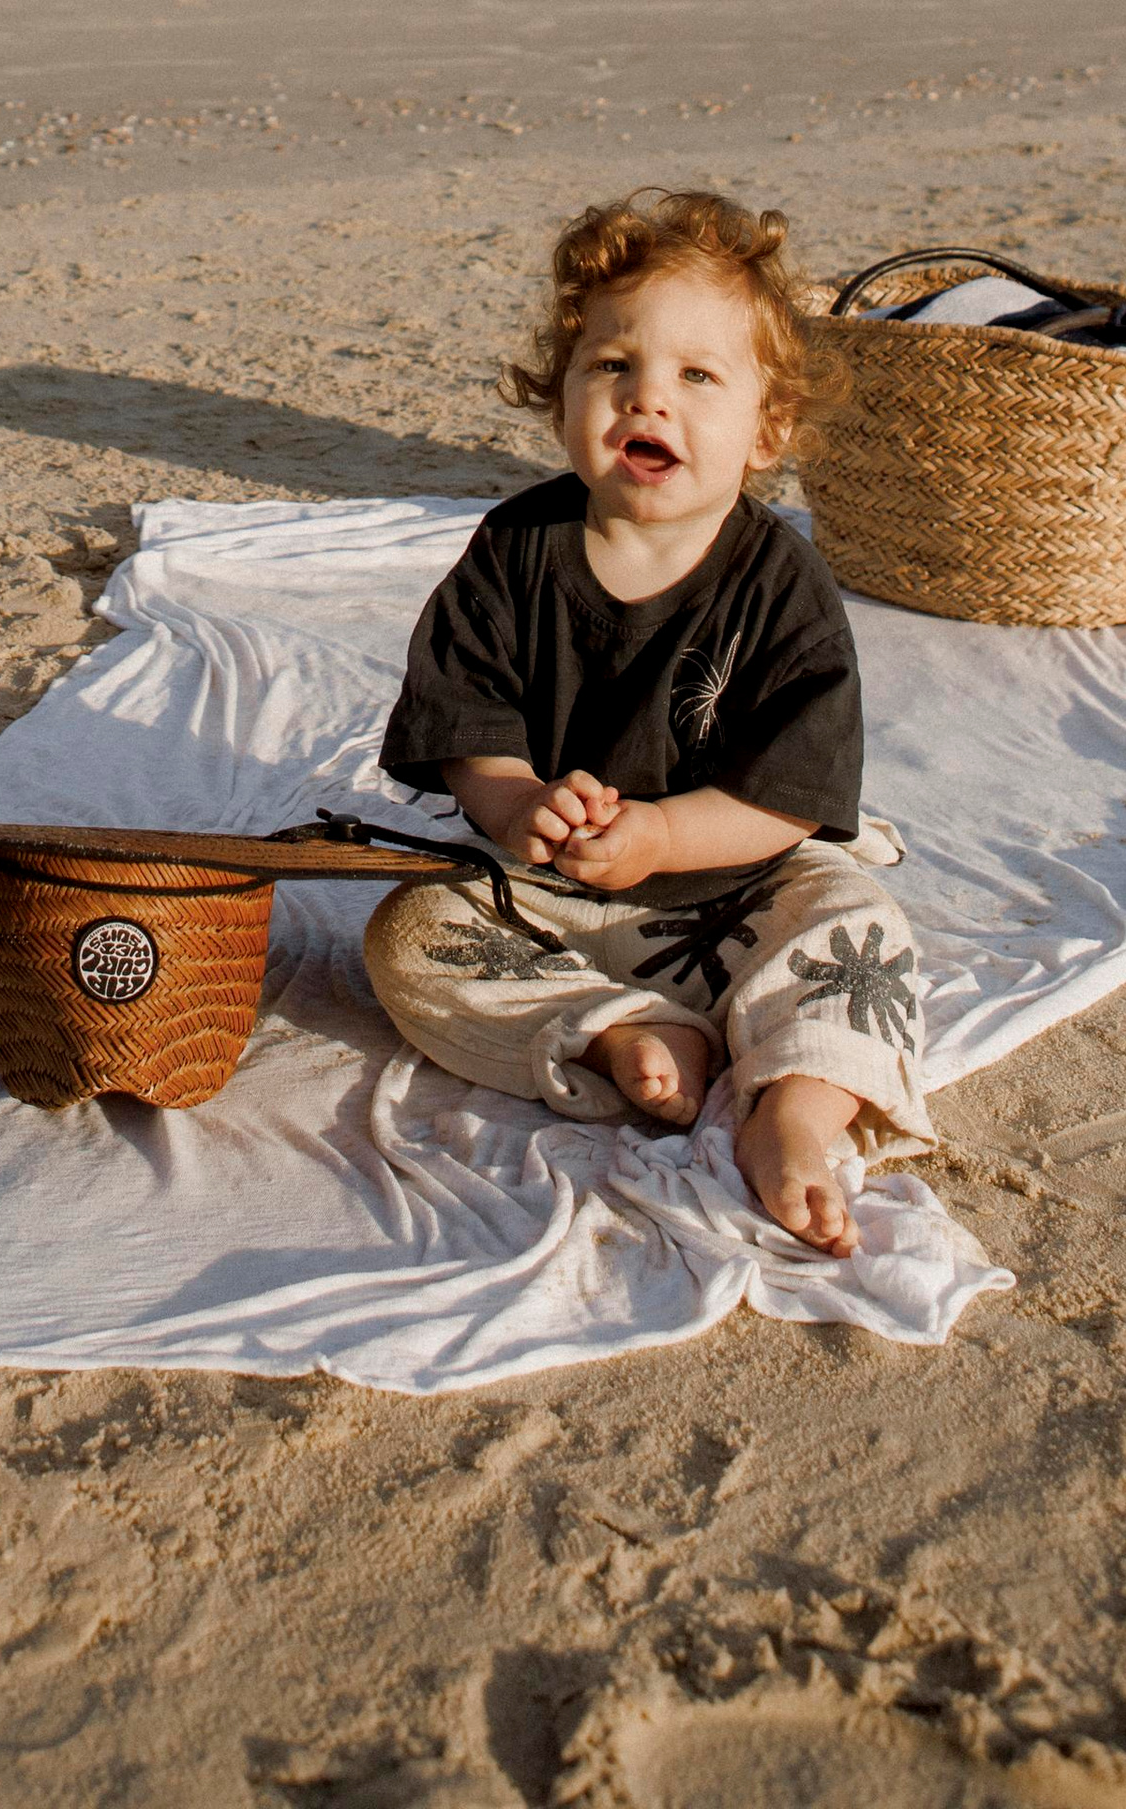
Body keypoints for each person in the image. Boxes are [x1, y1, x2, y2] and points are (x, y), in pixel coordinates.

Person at [364, 189, 930, 1256]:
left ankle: (799, 1109)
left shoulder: (782, 585)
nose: (646, 400)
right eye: (611, 366)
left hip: (739, 899)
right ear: (562, 396)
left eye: (695, 376)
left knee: (862, 935)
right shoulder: (514, 550)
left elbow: (784, 799)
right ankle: (624, 1027)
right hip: (550, 901)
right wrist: (518, 799)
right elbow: (469, 728)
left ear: (766, 431)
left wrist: (665, 838)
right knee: (406, 936)